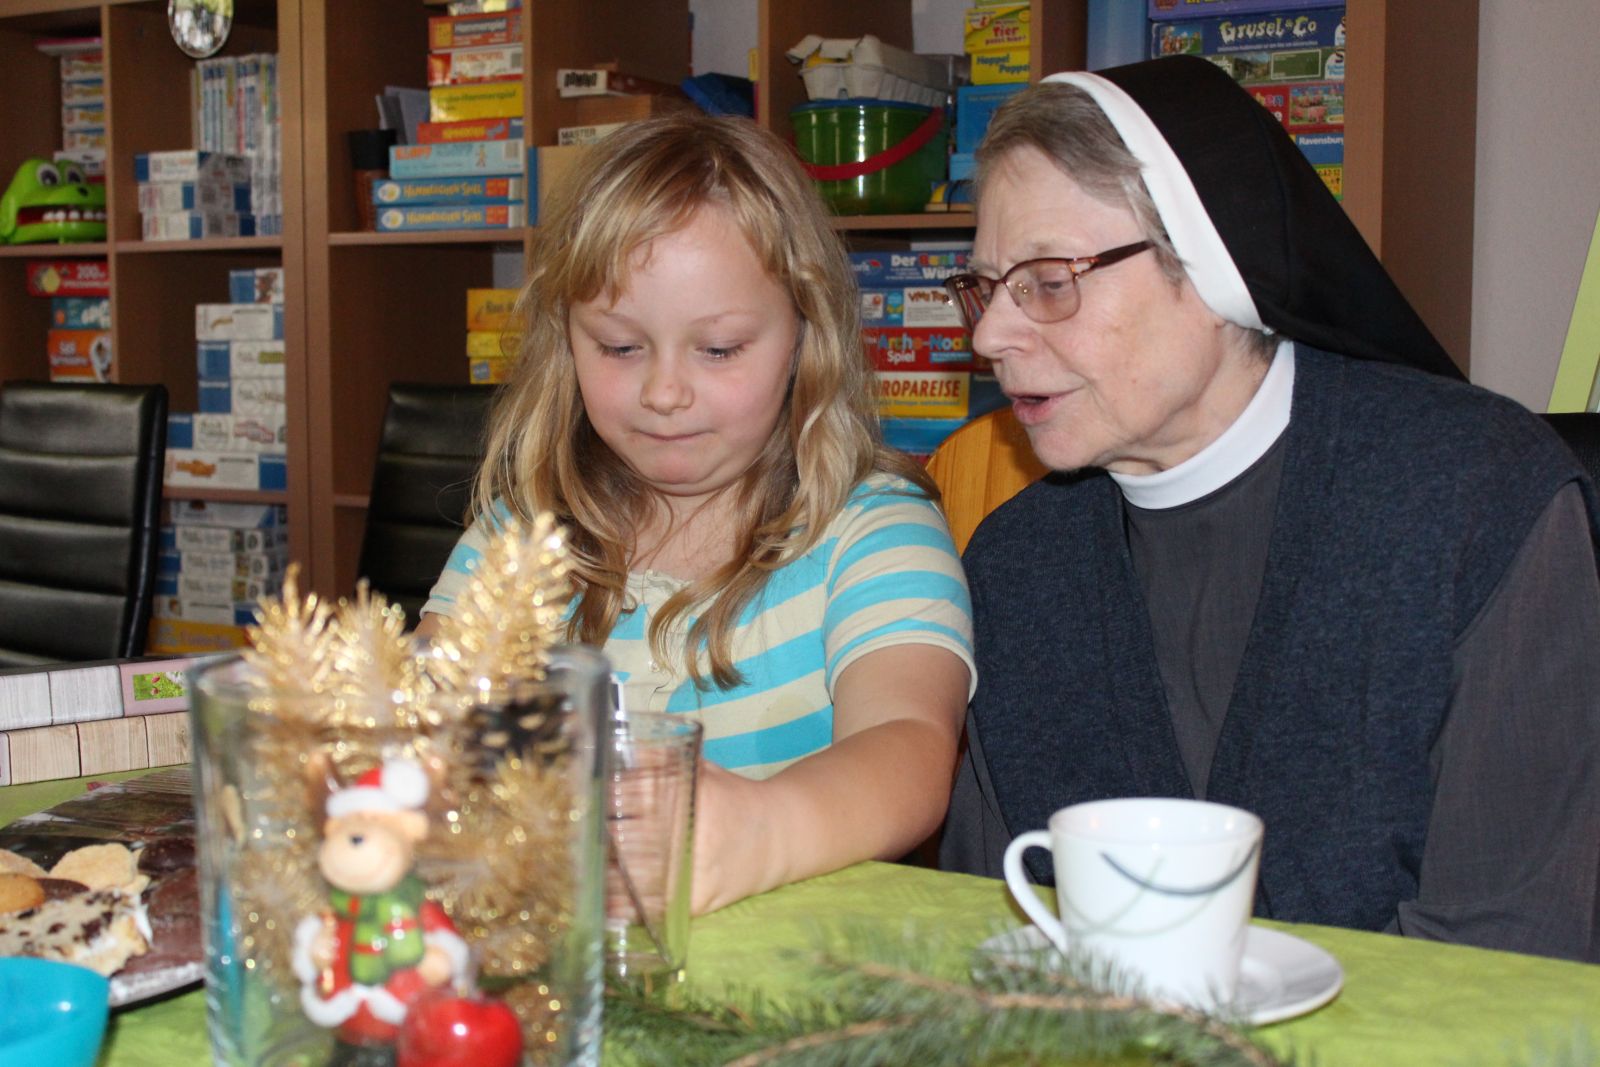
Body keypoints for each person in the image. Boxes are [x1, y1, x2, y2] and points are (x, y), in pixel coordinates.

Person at [938, 55, 1600, 962]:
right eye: (983, 285)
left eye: (1048, 282)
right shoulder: (1015, 566)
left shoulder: (1480, 503)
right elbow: (989, 931)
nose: (988, 335)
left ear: (1211, 264)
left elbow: (1511, 956)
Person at [415, 113, 975, 915]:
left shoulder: (876, 533)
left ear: (804, 336)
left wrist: (760, 830)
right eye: (618, 347)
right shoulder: (519, 538)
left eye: (718, 349)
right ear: (566, 343)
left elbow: (910, 748)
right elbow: (423, 720)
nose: (665, 392)